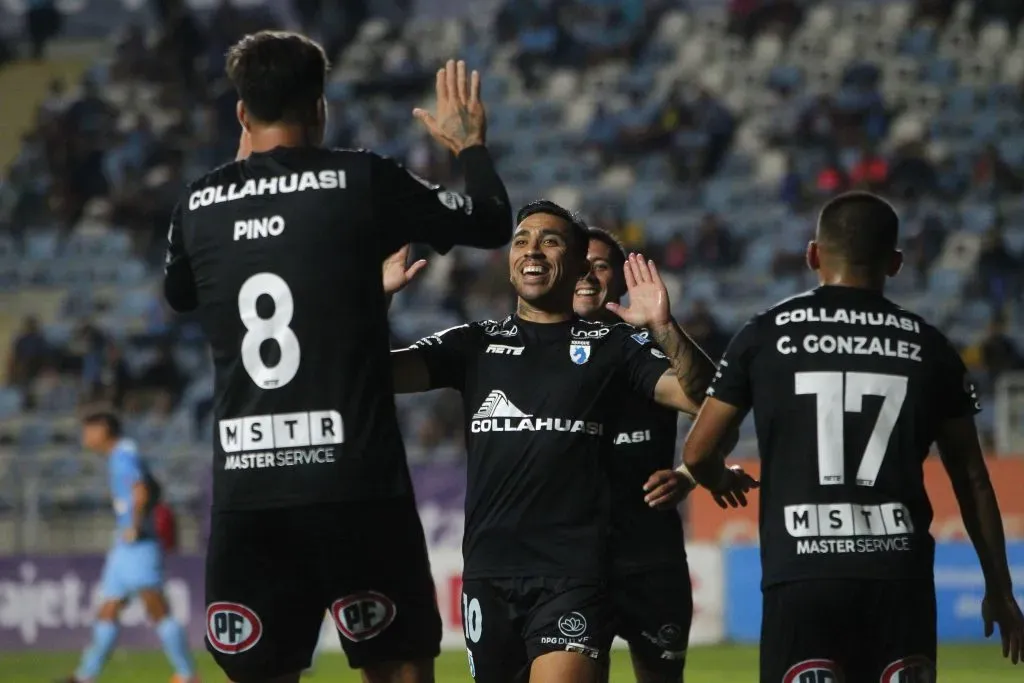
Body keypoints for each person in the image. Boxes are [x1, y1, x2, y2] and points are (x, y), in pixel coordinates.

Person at [163, 30, 512, 683]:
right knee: (399, 667)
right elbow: (492, 220)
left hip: (249, 487)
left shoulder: (197, 204)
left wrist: (238, 179)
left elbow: (182, 292)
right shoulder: (360, 179)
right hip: (354, 482)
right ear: (319, 106)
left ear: (241, 112)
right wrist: (469, 145)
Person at [385, 200, 754, 683]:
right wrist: (378, 301)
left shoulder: (612, 346)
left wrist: (663, 328)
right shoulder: (473, 343)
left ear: (579, 266)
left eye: (550, 241)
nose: (532, 250)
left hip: (573, 575)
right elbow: (378, 373)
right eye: (522, 241)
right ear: (511, 263)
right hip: (489, 572)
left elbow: (704, 399)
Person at [682, 191, 1024, 682]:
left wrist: (720, 479)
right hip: (899, 579)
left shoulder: (764, 335)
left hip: (801, 576)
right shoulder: (931, 347)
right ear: (896, 263)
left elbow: (698, 452)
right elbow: (972, 479)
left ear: (813, 255)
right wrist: (1000, 588)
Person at [574, 227, 696, 683]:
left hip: (651, 558)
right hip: (574, 565)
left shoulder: (652, 351)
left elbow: (716, 405)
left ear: (620, 281)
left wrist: (690, 473)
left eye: (600, 265)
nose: (588, 275)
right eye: (578, 265)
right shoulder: (533, 351)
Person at [61, 412, 197, 683]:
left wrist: (135, 524)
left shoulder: (124, 454)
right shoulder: (120, 455)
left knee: (156, 606)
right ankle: (85, 676)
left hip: (138, 544)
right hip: (123, 546)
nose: (85, 437)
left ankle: (187, 675)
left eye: (89, 430)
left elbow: (140, 490)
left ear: (103, 429)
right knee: (109, 608)